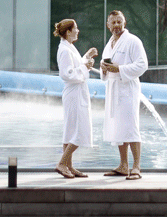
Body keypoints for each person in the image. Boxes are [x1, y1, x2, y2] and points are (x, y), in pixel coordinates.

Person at [100, 10, 148, 180]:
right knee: (118, 127)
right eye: (113, 22)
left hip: (127, 89)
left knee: (131, 126)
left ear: (124, 22)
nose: (116, 25)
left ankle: (136, 167)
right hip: (114, 90)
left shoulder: (133, 41)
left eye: (119, 21)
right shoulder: (110, 42)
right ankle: (123, 165)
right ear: (108, 25)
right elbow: (107, 64)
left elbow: (143, 65)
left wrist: (119, 69)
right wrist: (104, 68)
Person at [53, 18, 97, 179]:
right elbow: (67, 73)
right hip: (74, 93)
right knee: (79, 130)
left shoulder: (69, 47)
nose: (78, 30)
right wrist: (85, 67)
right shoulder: (64, 50)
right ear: (68, 31)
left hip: (76, 92)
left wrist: (86, 58)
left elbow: (76, 67)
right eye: (76, 28)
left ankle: (69, 167)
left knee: (70, 130)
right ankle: (62, 163)